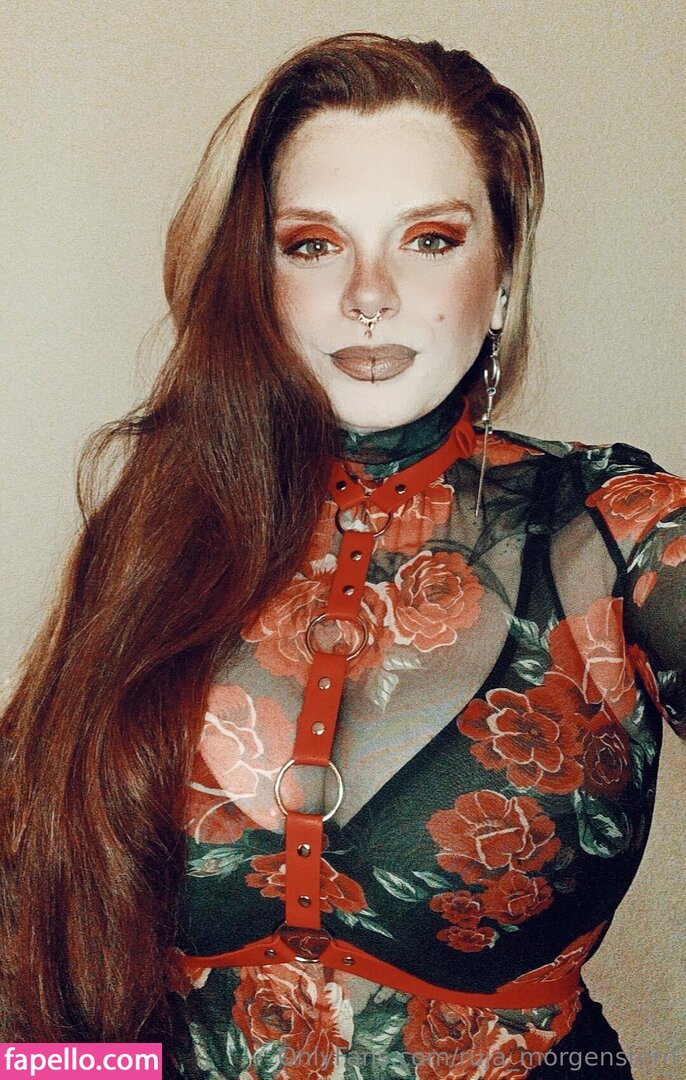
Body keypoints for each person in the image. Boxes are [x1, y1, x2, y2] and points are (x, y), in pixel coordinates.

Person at [1, 30, 684, 1080]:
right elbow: (33, 962)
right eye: (314, 244)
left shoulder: (615, 530)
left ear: (502, 276)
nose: (369, 293)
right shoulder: (157, 529)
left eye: (429, 239)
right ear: (260, 279)